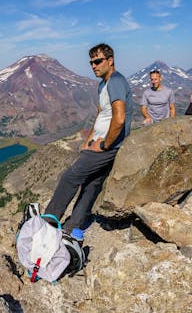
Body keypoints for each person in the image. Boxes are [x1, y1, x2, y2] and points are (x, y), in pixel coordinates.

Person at [44, 43, 133, 237]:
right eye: (92, 62)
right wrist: (89, 139)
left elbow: (119, 119)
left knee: (70, 177)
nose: (94, 65)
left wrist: (105, 144)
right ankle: (73, 226)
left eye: (98, 61)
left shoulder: (116, 81)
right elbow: (101, 114)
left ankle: (49, 221)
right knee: (92, 183)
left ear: (110, 61)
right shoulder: (104, 84)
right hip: (101, 141)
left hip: (109, 145)